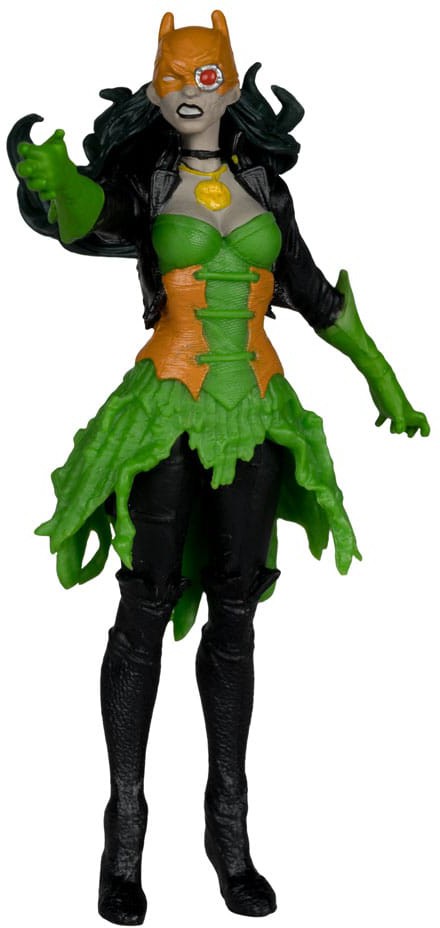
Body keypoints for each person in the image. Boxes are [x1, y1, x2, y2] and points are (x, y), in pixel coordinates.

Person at [8, 10, 429, 925]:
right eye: (175, 78)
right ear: (157, 89)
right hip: (169, 404)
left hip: (258, 408)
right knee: (146, 601)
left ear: (230, 86)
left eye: (207, 76)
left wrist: (386, 379)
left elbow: (313, 294)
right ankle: (125, 835)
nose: (191, 92)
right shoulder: (149, 178)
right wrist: (56, 182)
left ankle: (228, 834)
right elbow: (92, 218)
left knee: (237, 608)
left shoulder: (266, 186)